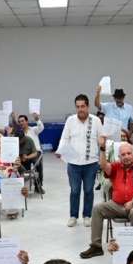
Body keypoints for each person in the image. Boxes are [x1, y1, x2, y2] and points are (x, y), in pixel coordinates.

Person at [80, 139, 133, 259]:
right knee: (97, 209)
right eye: (123, 154)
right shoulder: (116, 166)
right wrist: (102, 148)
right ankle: (96, 246)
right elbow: (103, 165)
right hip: (116, 205)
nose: (126, 156)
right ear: (119, 157)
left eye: (129, 153)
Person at [57, 94, 102, 227]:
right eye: (78, 107)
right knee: (75, 191)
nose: (80, 109)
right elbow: (65, 138)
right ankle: (73, 216)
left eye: (82, 106)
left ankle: (87, 215)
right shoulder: (70, 120)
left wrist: (103, 152)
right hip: (73, 163)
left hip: (91, 163)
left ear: (88, 106)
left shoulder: (96, 121)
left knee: (88, 190)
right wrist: (60, 150)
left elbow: (101, 139)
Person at [16, 113, 45, 189]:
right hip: (24, 154)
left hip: (36, 152)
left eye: (22, 121)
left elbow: (41, 128)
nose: (21, 123)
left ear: (27, 121)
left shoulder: (33, 129)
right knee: (22, 167)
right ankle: (23, 186)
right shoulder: (19, 133)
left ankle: (38, 186)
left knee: (38, 165)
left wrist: (37, 119)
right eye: (19, 121)